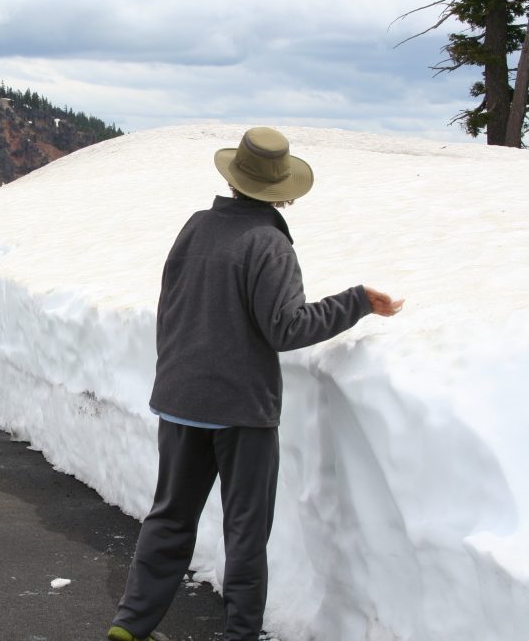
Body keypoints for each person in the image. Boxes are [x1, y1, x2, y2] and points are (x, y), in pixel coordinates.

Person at [108, 127, 404, 641]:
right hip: (241, 411)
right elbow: (287, 328)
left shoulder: (196, 227)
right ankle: (239, 636)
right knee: (244, 532)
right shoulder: (268, 244)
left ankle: (130, 626)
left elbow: (172, 305)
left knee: (169, 519)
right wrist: (356, 301)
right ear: (284, 191)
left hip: (180, 399)